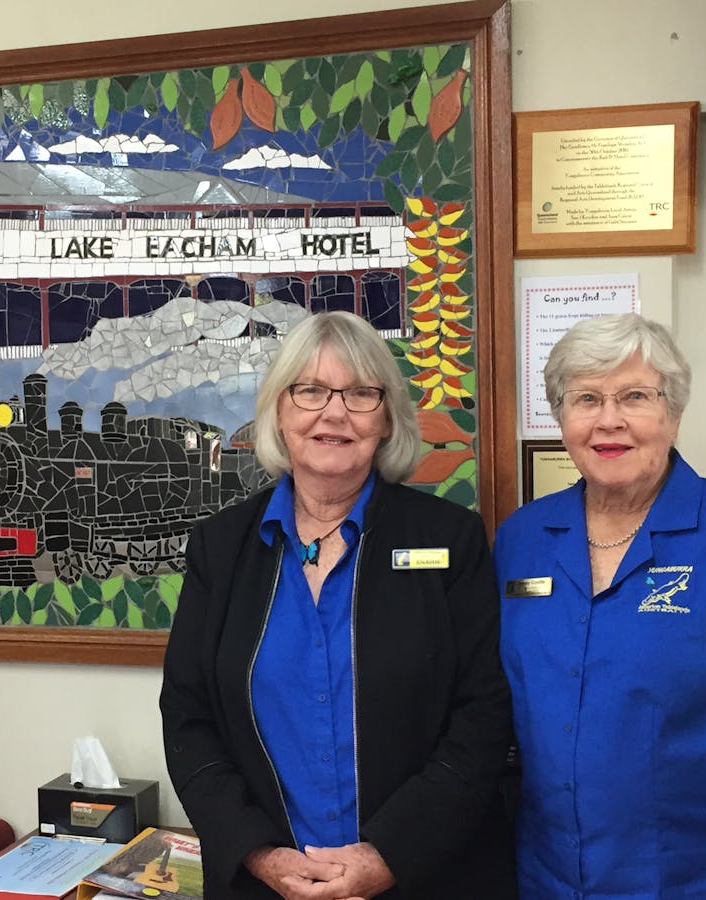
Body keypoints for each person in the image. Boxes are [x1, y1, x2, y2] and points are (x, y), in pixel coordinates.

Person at [161, 310, 516, 900]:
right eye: (310, 390)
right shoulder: (220, 548)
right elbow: (188, 719)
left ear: (385, 419)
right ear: (280, 411)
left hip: (425, 877)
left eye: (360, 393)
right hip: (267, 886)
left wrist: (389, 854)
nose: (334, 412)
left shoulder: (450, 540)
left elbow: (482, 717)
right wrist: (258, 853)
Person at [493, 312, 706, 899]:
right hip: (547, 878)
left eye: (634, 396)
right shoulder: (522, 539)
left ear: (673, 414)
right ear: (562, 418)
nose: (609, 420)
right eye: (585, 399)